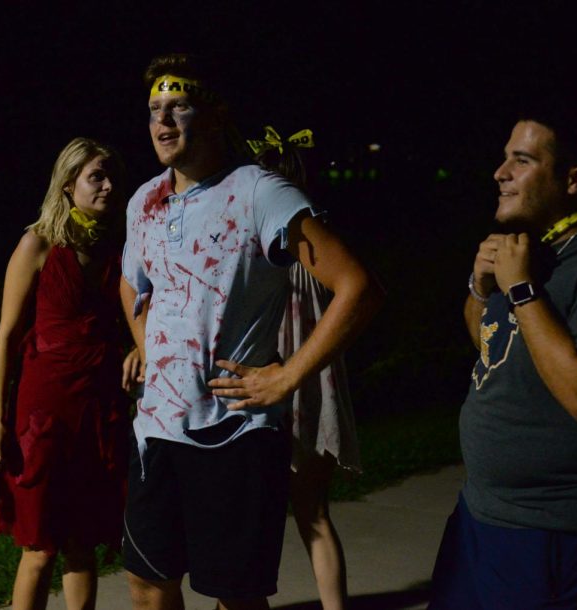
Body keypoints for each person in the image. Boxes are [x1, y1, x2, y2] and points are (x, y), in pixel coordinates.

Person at [120, 54, 383, 610]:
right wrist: (151, 351)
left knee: (234, 597)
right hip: (157, 430)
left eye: (178, 108)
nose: (163, 123)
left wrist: (286, 376)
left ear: (214, 116)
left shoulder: (260, 192)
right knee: (147, 584)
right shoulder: (143, 201)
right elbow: (130, 285)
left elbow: (357, 287)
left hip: (235, 434)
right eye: (154, 111)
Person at [429, 107, 577, 609]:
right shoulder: (532, 248)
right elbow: (491, 346)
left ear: (575, 179)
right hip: (479, 514)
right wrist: (480, 288)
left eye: (521, 160)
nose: (500, 173)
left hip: (555, 530)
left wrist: (520, 288)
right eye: (504, 159)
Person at [0, 137, 132, 610]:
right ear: (68, 185)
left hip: (99, 405)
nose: (108, 186)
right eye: (96, 177)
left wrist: (134, 349)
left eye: (111, 178)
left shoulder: (119, 244)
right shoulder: (37, 243)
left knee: (83, 542)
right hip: (44, 410)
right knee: (40, 545)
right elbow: (6, 335)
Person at [249, 126, 359, 610]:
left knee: (257, 521)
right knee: (313, 515)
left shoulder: (262, 246)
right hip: (316, 382)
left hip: (272, 379)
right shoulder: (322, 240)